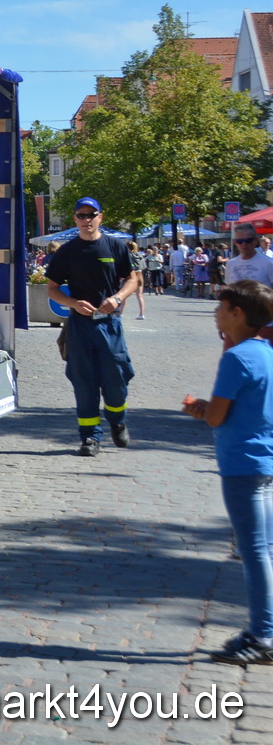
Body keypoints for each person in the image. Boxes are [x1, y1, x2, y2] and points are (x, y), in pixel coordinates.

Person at [182, 280, 273, 664]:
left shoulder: (236, 359)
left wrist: (198, 409)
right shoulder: (264, 351)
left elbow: (217, 417)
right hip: (264, 460)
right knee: (263, 549)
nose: (215, 312)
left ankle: (263, 635)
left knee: (253, 554)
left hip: (241, 463)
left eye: (221, 307)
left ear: (237, 313)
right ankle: (261, 630)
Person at [45, 197, 139, 457]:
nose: (86, 220)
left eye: (91, 214)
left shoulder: (115, 246)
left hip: (110, 325)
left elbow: (132, 280)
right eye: (81, 215)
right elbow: (52, 289)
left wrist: (118, 298)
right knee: (83, 382)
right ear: (75, 219)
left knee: (117, 379)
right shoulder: (67, 251)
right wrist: (73, 303)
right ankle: (90, 438)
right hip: (80, 327)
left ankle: (117, 419)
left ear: (101, 217)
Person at [128, 241, 148, 320]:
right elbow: (143, 267)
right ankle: (141, 314)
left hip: (131, 275)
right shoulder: (140, 255)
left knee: (124, 296)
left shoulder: (128, 255)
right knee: (140, 296)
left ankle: (120, 312)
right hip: (139, 274)